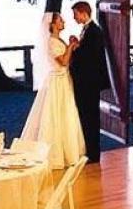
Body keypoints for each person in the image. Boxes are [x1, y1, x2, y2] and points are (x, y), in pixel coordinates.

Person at [20, 13, 85, 169]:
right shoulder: (51, 42)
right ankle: (54, 154)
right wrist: (70, 47)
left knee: (66, 114)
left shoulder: (58, 40)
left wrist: (72, 46)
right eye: (60, 20)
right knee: (55, 115)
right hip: (57, 81)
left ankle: (67, 151)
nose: (63, 22)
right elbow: (63, 62)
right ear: (53, 24)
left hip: (63, 80)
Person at [67, 1, 111, 164]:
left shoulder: (95, 31)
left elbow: (90, 59)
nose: (74, 17)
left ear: (83, 13)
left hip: (89, 83)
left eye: (75, 14)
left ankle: (93, 153)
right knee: (86, 116)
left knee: (91, 117)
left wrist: (75, 49)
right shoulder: (88, 31)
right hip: (86, 83)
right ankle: (89, 150)